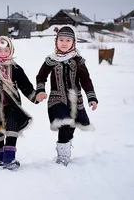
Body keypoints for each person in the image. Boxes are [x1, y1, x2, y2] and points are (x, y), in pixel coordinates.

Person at [35, 26, 98, 166]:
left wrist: (92, 97)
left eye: (68, 40)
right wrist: (40, 90)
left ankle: (66, 147)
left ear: (73, 42)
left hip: (75, 100)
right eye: (61, 40)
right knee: (64, 123)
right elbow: (41, 77)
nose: (64, 43)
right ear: (56, 42)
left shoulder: (78, 61)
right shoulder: (50, 60)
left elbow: (86, 80)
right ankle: (63, 157)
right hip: (56, 99)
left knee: (71, 126)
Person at [0, 36, 38, 170]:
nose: (3, 54)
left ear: (11, 51)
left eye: (6, 51)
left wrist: (35, 96)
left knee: (12, 128)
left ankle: (9, 158)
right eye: (0, 51)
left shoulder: (16, 68)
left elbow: (25, 85)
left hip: (12, 104)